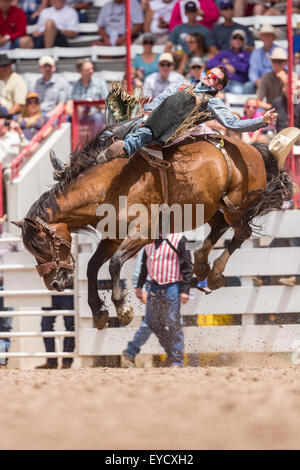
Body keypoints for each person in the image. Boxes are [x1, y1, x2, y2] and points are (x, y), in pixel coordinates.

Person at [103, 65, 278, 161]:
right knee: (111, 131)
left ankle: (125, 149)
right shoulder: (183, 85)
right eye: (209, 73)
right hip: (151, 119)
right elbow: (160, 99)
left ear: (218, 87)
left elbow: (233, 124)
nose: (209, 76)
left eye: (215, 77)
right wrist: (147, 112)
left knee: (143, 133)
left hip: (169, 131)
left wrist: (262, 120)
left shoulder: (212, 101)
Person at [122, 234, 193, 368]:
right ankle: (173, 354)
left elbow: (187, 265)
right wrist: (139, 286)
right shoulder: (148, 241)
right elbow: (144, 266)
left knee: (174, 323)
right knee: (152, 322)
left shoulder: (179, 239)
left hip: (173, 284)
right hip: (155, 285)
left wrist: (185, 289)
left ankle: (177, 360)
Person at [66, 59, 108, 134]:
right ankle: (72, 143)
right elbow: (68, 107)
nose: (91, 71)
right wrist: (75, 114)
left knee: (97, 117)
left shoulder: (100, 83)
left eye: (92, 68)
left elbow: (108, 105)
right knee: (67, 119)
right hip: (80, 116)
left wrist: (95, 104)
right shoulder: (74, 86)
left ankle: (95, 144)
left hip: (95, 115)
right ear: (80, 71)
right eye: (88, 69)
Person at [206, 29, 255, 94]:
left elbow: (245, 68)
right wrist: (224, 65)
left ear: (244, 41)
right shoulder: (225, 53)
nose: (237, 40)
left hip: (238, 83)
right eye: (235, 37)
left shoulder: (247, 54)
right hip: (222, 82)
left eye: (241, 38)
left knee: (238, 91)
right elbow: (210, 63)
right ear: (231, 40)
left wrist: (229, 62)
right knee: (214, 92)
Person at [35, 295, 75, 369]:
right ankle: (51, 361)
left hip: (66, 290)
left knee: (70, 325)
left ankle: (66, 362)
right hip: (51, 291)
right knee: (45, 325)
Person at [248, 24, 280, 90]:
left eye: (269, 36)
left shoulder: (281, 51)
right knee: (247, 87)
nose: (267, 38)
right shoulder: (256, 53)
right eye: (265, 36)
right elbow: (253, 71)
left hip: (276, 81)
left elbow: (285, 69)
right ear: (261, 38)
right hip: (260, 81)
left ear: (274, 38)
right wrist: (256, 81)